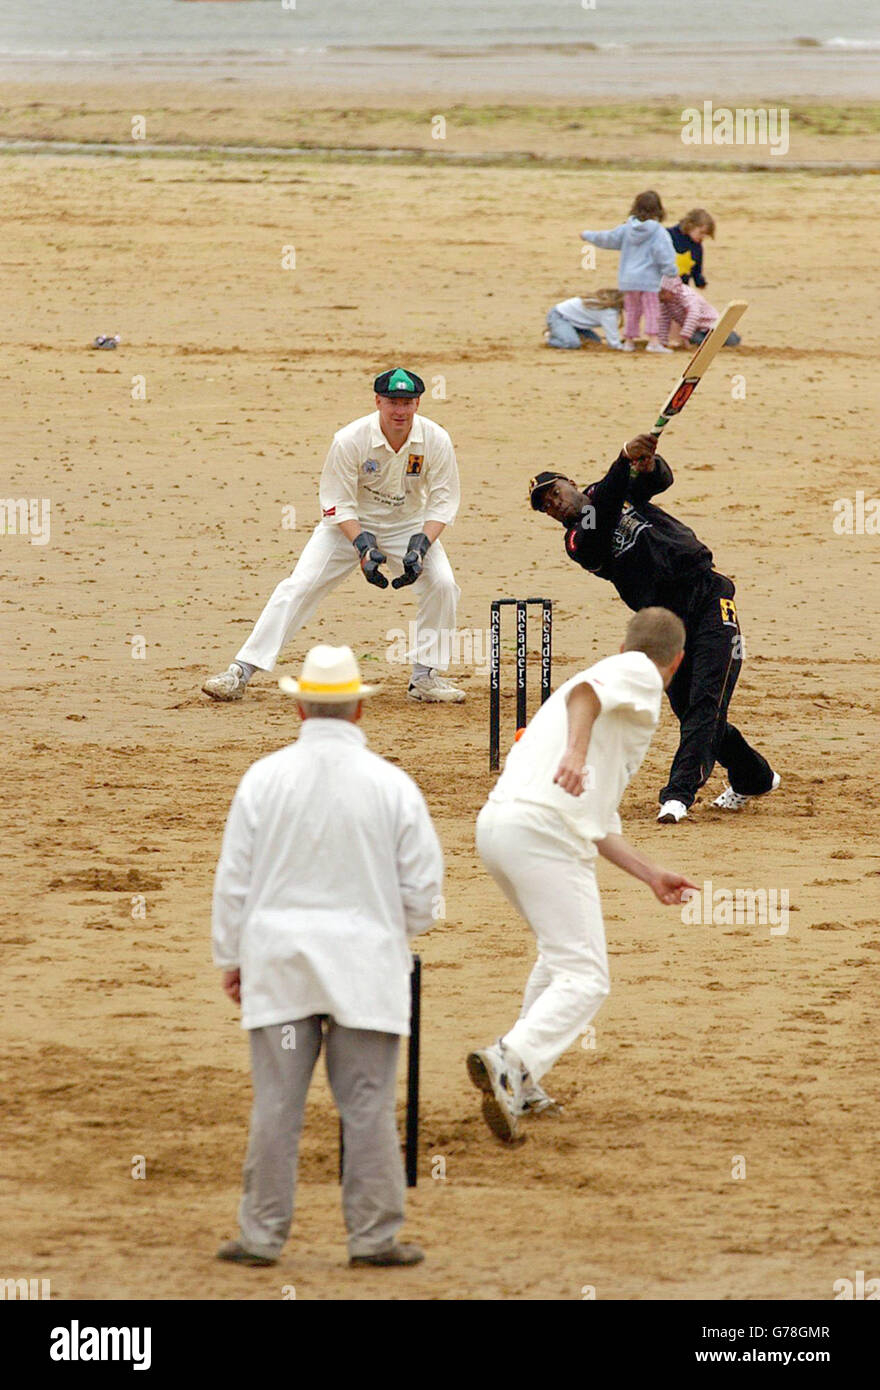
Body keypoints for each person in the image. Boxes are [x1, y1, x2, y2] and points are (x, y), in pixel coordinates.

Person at [212, 644, 444, 1267]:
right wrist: (389, 932)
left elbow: (234, 882)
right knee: (366, 1106)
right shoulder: (393, 786)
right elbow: (424, 894)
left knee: (277, 1105)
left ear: (299, 710)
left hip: (282, 964)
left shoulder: (264, 779)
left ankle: (261, 1236)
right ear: (358, 712)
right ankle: (373, 1237)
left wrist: (232, 958)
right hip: (366, 970)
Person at [467, 608, 696, 1143]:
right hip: (543, 833)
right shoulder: (638, 672)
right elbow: (586, 693)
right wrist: (574, 750)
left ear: (622, 645)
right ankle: (509, 1060)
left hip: (501, 826)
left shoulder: (612, 699)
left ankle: (520, 1083)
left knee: (560, 956)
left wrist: (650, 873)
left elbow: (597, 821)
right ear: (677, 662)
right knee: (587, 976)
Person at [528, 434, 780, 823]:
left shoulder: (605, 489)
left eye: (554, 493)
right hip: (666, 620)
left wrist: (646, 465)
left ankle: (677, 796)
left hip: (709, 596)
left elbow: (657, 482)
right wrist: (622, 459)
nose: (554, 504)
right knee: (693, 712)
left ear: (571, 483)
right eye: (546, 506)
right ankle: (755, 777)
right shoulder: (578, 541)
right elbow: (603, 511)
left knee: (705, 704)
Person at [202, 368, 465, 705]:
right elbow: (337, 502)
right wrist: (363, 547)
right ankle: (240, 671)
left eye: (407, 403)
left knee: (442, 583)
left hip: (408, 526)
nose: (399, 411)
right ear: (378, 401)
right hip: (350, 526)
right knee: (300, 585)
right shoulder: (350, 439)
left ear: (417, 403)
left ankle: (425, 676)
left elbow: (443, 501)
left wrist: (421, 545)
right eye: (392, 402)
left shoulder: (436, 439)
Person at [580, 191, 678, 353]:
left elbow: (607, 238)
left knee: (632, 310)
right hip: (648, 280)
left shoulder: (626, 229)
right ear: (659, 210)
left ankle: (629, 341)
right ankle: (653, 341)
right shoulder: (659, 232)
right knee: (651, 310)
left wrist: (587, 235)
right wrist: (671, 271)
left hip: (628, 279)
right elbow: (665, 254)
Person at [658, 275, 741, 350]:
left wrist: (685, 335)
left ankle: (733, 338)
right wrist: (663, 341)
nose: (659, 296)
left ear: (673, 290)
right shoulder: (665, 302)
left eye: (662, 293)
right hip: (696, 330)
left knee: (728, 340)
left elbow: (693, 314)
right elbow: (664, 321)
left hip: (712, 325)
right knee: (698, 341)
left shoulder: (687, 295)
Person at [544, 288, 623, 350]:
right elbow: (614, 343)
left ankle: (564, 332)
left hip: (576, 322)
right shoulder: (609, 313)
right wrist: (625, 348)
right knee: (572, 344)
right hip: (559, 316)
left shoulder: (610, 307)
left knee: (595, 342)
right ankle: (551, 337)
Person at [669, 208, 715, 289]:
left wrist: (701, 283)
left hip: (681, 289)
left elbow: (697, 271)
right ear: (690, 225)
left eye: (706, 235)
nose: (703, 237)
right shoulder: (668, 235)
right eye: (701, 232)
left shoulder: (697, 248)